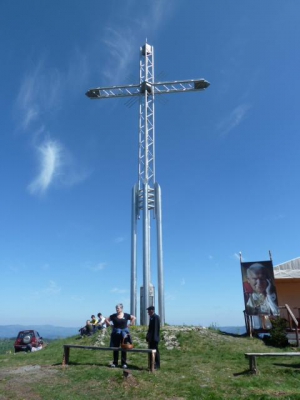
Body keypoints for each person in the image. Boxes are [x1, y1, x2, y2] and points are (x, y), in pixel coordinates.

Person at [245, 263, 279, 329]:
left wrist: (269, 294)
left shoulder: (272, 293)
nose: (259, 283)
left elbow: (276, 311)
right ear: (248, 280)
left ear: (268, 279)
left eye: (262, 278)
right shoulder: (252, 298)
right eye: (255, 279)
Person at [105, 303, 136, 368]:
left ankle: (124, 363)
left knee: (124, 347)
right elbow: (106, 319)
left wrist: (130, 324)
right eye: (116, 308)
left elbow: (134, 318)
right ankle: (115, 362)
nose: (117, 309)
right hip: (116, 333)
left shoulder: (126, 315)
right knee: (115, 348)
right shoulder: (113, 316)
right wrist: (111, 325)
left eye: (118, 308)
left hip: (124, 334)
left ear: (121, 309)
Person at [146, 306, 160, 370]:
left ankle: (157, 365)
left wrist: (154, 338)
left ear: (152, 310)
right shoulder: (151, 317)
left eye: (148, 310)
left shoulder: (156, 317)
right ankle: (152, 364)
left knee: (155, 352)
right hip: (151, 338)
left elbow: (156, 329)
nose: (148, 312)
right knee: (151, 352)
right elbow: (150, 329)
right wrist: (148, 336)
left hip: (154, 338)